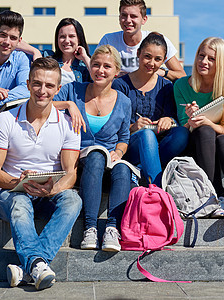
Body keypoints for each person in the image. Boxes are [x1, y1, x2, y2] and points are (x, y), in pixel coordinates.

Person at [0, 57, 82, 290]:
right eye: (37, 84)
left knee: (73, 200)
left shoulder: (68, 124)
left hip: (49, 192)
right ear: (28, 84)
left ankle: (30, 266)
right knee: (19, 202)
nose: (42, 90)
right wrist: (17, 182)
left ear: (58, 89)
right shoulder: (5, 120)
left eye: (49, 86)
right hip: (12, 192)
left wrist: (54, 189)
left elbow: (71, 173)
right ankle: (38, 264)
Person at [54, 45, 132, 252]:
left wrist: (120, 152)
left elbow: (124, 138)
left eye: (107, 66)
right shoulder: (73, 90)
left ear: (116, 72)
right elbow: (42, 104)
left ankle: (112, 229)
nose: (100, 70)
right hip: (79, 161)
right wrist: (69, 105)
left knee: (123, 168)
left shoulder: (124, 101)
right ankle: (90, 227)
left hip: (108, 163)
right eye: (96, 65)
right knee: (96, 155)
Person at [174, 37, 224, 222]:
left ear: (221, 63)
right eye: (201, 56)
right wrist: (191, 119)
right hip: (196, 148)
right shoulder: (182, 85)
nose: (203, 62)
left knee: (221, 138)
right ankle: (214, 197)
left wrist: (208, 121)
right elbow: (183, 129)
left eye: (211, 59)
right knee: (204, 131)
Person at [112, 32, 189, 187]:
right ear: (138, 53)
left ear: (163, 61)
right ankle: (156, 188)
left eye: (158, 59)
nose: (152, 63)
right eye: (147, 56)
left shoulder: (166, 86)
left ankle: (143, 169)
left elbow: (174, 117)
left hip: (160, 145)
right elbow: (113, 126)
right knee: (146, 135)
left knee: (182, 133)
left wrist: (169, 120)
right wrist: (132, 127)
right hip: (131, 145)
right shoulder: (120, 85)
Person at [97, 0, 186, 80]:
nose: (128, 20)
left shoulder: (156, 40)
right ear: (119, 17)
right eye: (124, 15)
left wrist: (161, 72)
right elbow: (95, 70)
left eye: (133, 16)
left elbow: (181, 75)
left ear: (144, 19)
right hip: (117, 92)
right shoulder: (108, 40)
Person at [0, 10, 39, 110]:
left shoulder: (21, 59)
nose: (7, 42)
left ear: (19, 41)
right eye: (3, 35)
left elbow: (26, 88)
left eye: (13, 38)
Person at [50, 18, 91, 85]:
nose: (66, 41)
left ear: (79, 39)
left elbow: (98, 79)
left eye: (71, 36)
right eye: (62, 36)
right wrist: (35, 52)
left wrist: (85, 57)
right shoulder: (48, 58)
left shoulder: (85, 66)